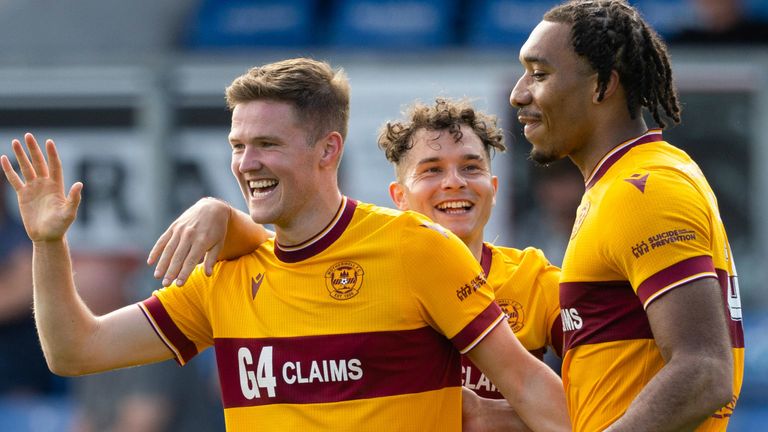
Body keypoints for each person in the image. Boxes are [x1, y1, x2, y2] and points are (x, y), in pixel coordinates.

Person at [0, 58, 569, 431]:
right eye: (238, 145)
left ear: (327, 150)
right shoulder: (223, 275)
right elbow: (76, 351)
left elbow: (526, 384)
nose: (247, 164)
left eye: (267, 144)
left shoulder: (418, 248)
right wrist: (49, 244)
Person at [147, 97, 563, 413]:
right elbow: (288, 254)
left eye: (470, 168)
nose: (454, 183)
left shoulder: (533, 277)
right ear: (398, 198)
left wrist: (496, 420)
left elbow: (603, 384)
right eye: (432, 170)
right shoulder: (360, 279)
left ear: (494, 187)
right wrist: (220, 212)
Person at [506, 0, 744, 430]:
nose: (519, 93)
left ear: (602, 86)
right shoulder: (625, 183)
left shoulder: (643, 191)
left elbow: (705, 370)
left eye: (539, 74)